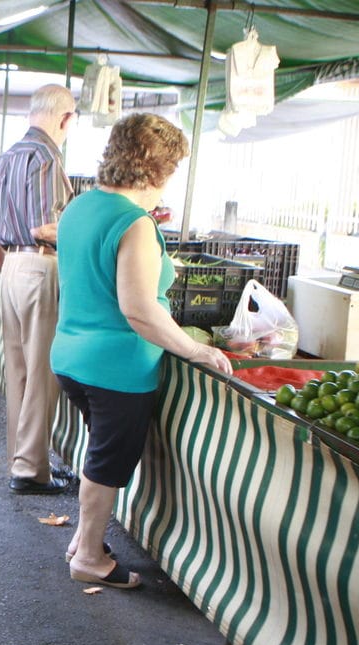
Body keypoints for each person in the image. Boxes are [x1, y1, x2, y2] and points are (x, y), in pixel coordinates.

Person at [52, 113, 232, 589]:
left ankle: (82, 539)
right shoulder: (135, 224)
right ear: (159, 169)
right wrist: (193, 350)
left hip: (71, 356)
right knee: (108, 464)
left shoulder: (79, 206)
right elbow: (141, 312)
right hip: (117, 368)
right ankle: (89, 554)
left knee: (99, 457)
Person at [0, 84, 77, 495]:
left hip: (12, 267)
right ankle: (31, 469)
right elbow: (43, 228)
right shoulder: (48, 157)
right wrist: (85, 228)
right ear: (65, 118)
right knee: (40, 372)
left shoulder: (4, 159)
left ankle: (23, 459)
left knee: (17, 371)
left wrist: (6, 266)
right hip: (38, 263)